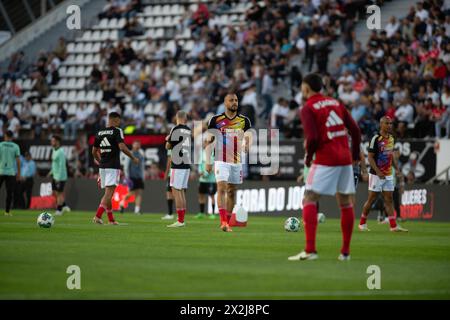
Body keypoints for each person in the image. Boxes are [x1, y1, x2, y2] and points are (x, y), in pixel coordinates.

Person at [288, 73, 361, 261]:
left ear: (305, 88)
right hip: (344, 158)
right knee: (345, 202)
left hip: (325, 158)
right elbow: (355, 130)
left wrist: (309, 158)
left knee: (309, 198)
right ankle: (345, 252)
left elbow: (312, 138)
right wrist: (353, 157)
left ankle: (310, 250)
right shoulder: (336, 103)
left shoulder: (308, 108)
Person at [205, 93, 252, 232]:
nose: (234, 102)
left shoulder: (244, 121)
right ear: (225, 103)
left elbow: (249, 135)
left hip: (237, 161)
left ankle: (230, 221)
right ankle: (223, 222)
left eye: (236, 100)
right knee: (221, 189)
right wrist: (208, 161)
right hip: (221, 160)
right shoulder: (216, 120)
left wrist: (247, 144)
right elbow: (209, 140)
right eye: (231, 100)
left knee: (232, 191)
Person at [358, 116, 408, 232]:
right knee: (371, 199)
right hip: (376, 174)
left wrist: (397, 169)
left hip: (388, 174)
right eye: (387, 123)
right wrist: (378, 172)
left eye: (390, 123)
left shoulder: (391, 138)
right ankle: (362, 223)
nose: (390, 125)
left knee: (389, 199)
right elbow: (370, 158)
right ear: (381, 125)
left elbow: (391, 156)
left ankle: (393, 226)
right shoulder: (375, 139)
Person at [92, 112, 139, 225]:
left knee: (108, 194)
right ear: (116, 120)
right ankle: (97, 216)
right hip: (113, 166)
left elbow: (93, 151)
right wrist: (133, 157)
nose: (120, 123)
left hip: (103, 166)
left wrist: (99, 161)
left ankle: (111, 219)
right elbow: (122, 147)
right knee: (109, 194)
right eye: (119, 121)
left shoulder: (99, 132)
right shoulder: (117, 131)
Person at [165, 111, 192, 228]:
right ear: (185, 118)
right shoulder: (188, 130)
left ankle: (180, 220)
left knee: (176, 190)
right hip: (186, 163)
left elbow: (168, 146)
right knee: (181, 191)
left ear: (177, 117)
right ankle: (182, 219)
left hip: (177, 163)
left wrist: (167, 139)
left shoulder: (175, 129)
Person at [120, 140, 145, 215]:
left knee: (139, 193)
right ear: (132, 145)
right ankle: (122, 202)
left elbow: (142, 167)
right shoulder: (130, 154)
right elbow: (126, 167)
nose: (137, 145)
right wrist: (127, 178)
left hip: (139, 177)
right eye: (136, 144)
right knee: (131, 193)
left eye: (138, 144)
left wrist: (142, 177)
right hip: (131, 177)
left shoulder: (141, 155)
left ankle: (137, 210)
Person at [0, 131, 21, 216]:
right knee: (9, 193)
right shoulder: (15, 146)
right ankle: (7, 212)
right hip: (11, 172)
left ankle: (7, 211)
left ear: (5, 136)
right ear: (12, 137)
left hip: (0, 171)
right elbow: (18, 161)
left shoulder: (0, 145)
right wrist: (19, 173)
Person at [49, 135, 70, 216]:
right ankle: (64, 205)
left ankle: (59, 210)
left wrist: (59, 177)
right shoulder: (54, 150)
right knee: (55, 192)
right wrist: (51, 172)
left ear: (57, 142)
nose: (51, 142)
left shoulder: (61, 152)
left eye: (53, 141)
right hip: (55, 175)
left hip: (60, 176)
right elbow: (55, 163)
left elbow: (62, 165)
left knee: (60, 193)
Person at [196, 140, 217, 219]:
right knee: (201, 195)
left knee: (212, 196)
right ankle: (201, 213)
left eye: (207, 143)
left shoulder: (213, 154)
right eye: (205, 142)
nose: (205, 144)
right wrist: (200, 172)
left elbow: (213, 166)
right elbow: (199, 164)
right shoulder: (202, 153)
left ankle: (213, 213)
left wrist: (205, 174)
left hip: (211, 179)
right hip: (202, 179)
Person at [161, 149, 175, 220]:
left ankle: (170, 213)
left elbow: (169, 161)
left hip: (172, 172)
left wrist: (166, 172)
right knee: (180, 193)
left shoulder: (171, 147)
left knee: (169, 193)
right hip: (182, 172)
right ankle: (181, 215)